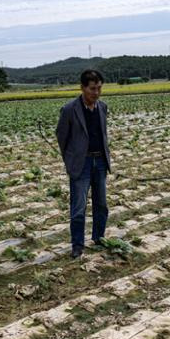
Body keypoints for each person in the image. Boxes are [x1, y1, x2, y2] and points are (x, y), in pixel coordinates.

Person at [56, 69, 111, 258]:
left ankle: (99, 237)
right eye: (92, 89)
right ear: (82, 88)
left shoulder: (102, 107)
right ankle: (77, 245)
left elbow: (103, 135)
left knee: (101, 204)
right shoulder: (70, 109)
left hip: (100, 162)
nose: (96, 93)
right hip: (82, 163)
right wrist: (71, 160)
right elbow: (61, 137)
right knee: (78, 208)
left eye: (99, 88)